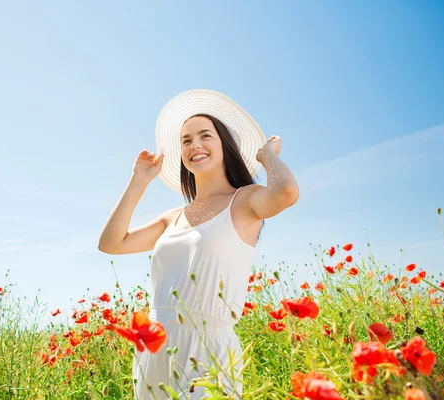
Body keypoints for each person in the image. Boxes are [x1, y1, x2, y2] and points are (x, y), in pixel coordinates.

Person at [98, 89, 299, 399]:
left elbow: (286, 193)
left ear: (225, 146)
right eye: (186, 141)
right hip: (155, 346)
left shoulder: (244, 200)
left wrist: (266, 156)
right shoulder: (173, 217)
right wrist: (138, 180)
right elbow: (111, 243)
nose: (195, 145)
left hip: (207, 349)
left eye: (206, 136)